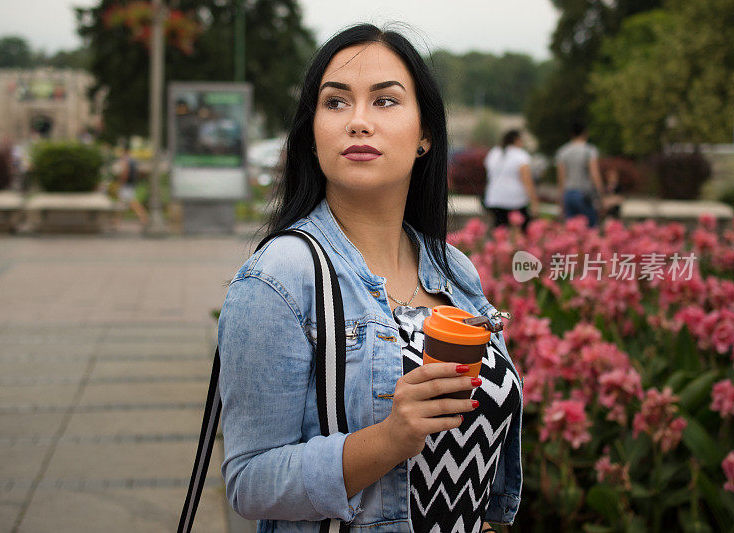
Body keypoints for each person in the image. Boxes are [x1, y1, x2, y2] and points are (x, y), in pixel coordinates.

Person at [217, 24, 523, 533]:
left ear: (425, 134)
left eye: (385, 101)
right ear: (312, 133)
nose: (358, 121)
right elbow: (250, 482)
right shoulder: (278, 280)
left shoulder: (455, 269)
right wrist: (389, 440)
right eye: (336, 103)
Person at [483, 129, 539, 231]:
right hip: (516, 200)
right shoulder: (521, 155)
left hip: (494, 198)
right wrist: (534, 202)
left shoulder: (494, 153)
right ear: (517, 140)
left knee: (499, 232)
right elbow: (527, 181)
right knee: (521, 231)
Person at [555, 121, 605, 228]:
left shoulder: (562, 151)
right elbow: (594, 174)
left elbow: (561, 178)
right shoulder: (589, 150)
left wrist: (560, 200)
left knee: (571, 230)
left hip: (568, 193)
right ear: (585, 133)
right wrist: (601, 194)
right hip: (584, 194)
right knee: (590, 229)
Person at [116, 145, 149, 227]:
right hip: (131, 183)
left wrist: (121, 181)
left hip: (126, 184)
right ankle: (117, 220)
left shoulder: (126, 161)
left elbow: (125, 172)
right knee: (121, 202)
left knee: (132, 202)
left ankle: (143, 217)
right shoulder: (133, 161)